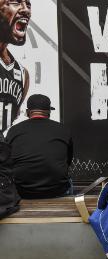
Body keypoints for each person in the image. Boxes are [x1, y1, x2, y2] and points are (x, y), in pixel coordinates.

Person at [5, 94, 73, 198]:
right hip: (56, 191)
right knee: (68, 180)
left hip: (22, 191)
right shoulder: (63, 130)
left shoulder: (14, 130)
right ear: (49, 112)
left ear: (28, 112)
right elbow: (68, 161)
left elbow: (7, 161)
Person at [0, 0, 31, 132]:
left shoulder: (23, 73)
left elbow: (15, 115)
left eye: (28, 4)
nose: (26, 10)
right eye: (15, 2)